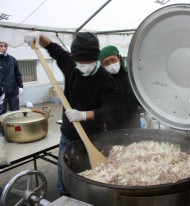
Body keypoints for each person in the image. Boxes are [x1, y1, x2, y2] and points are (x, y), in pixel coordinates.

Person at [24, 31, 119, 196]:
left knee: (93, 179)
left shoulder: (105, 79)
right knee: (64, 182)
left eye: (88, 62)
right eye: (79, 62)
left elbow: (109, 110)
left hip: (94, 137)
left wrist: (83, 115)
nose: (83, 65)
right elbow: (52, 46)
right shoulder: (69, 63)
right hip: (68, 135)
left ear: (96, 58)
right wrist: (38, 36)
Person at [99, 45, 141, 129]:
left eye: (113, 60)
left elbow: (140, 95)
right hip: (113, 126)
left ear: (119, 58)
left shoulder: (131, 75)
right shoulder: (102, 81)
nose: (111, 64)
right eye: (106, 62)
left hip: (134, 123)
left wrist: (146, 111)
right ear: (102, 65)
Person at [0, 41, 23, 115]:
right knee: (2, 113)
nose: (3, 48)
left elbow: (17, 74)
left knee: (15, 112)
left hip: (13, 91)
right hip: (1, 92)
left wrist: (20, 86)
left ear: (7, 47)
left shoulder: (12, 59)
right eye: (1, 46)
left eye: (5, 46)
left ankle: (14, 126)